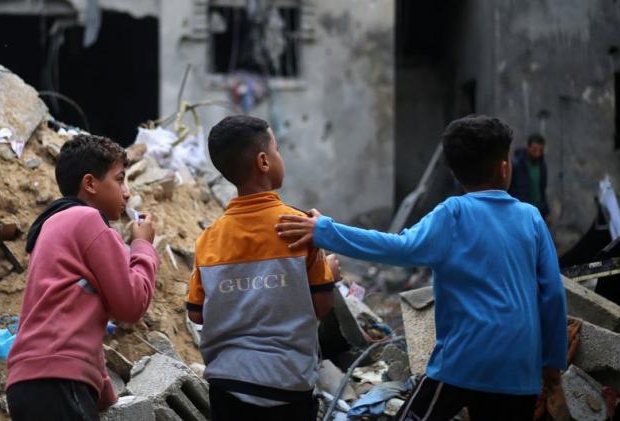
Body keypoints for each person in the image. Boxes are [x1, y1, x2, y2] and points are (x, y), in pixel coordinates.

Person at [276, 115, 567, 421]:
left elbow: (397, 248)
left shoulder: (453, 214)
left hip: (463, 362)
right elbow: (553, 295)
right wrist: (552, 364)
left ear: (454, 172)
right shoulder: (532, 218)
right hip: (519, 370)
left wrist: (325, 230)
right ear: (504, 167)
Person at [185, 115, 335, 421]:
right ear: (264, 161)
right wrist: (330, 273)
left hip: (227, 385)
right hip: (288, 383)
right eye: (277, 149)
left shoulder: (209, 238)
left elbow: (196, 314)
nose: (281, 157)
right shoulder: (299, 227)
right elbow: (321, 305)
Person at [6, 134, 159, 420]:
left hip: (26, 383)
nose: (127, 193)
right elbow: (131, 304)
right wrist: (143, 246)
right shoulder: (89, 221)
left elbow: (71, 316)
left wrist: (104, 393)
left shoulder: (52, 226)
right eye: (120, 180)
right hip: (60, 382)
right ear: (90, 183)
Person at [509, 133, 550, 221]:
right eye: (534, 150)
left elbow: (542, 190)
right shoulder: (516, 164)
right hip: (520, 211)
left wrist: (546, 211)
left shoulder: (542, 166)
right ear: (528, 147)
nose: (537, 154)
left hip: (537, 212)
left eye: (540, 150)